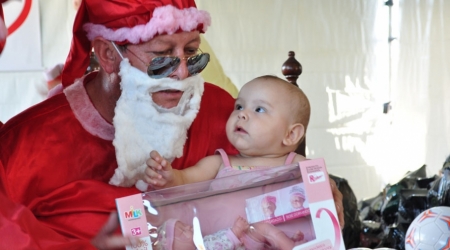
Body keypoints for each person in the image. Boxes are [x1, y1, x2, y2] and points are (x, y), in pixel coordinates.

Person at [0, 0, 344, 246]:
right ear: (108, 55)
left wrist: (318, 188)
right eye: (162, 56)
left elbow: (275, 172)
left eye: (192, 54)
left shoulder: (222, 111)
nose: (181, 74)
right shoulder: (24, 150)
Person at [145, 75, 308, 188]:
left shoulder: (299, 167)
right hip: (227, 238)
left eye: (259, 109)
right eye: (239, 106)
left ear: (291, 135)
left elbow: (326, 199)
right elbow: (184, 180)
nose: (241, 114)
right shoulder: (219, 163)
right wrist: (169, 177)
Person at [154, 216, 299, 250]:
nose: (189, 227)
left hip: (244, 243)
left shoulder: (202, 243)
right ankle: (292, 246)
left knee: (266, 233)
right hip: (244, 240)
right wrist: (236, 231)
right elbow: (220, 246)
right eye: (183, 231)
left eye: (185, 225)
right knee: (263, 228)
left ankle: (289, 242)